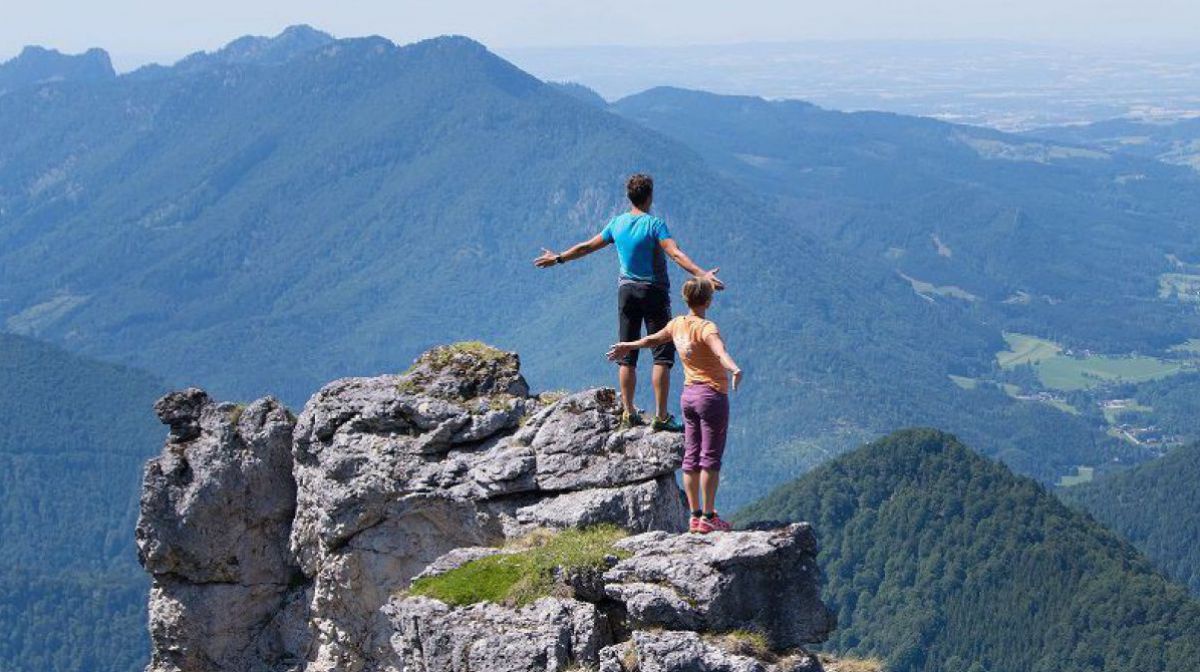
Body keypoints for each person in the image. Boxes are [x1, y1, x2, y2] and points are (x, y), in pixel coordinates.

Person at [534, 173, 723, 431]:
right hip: (653, 291)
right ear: (650, 197)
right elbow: (675, 254)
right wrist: (702, 274)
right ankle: (661, 416)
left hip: (626, 292)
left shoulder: (617, 223)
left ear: (629, 197)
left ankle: (628, 411)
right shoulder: (655, 225)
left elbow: (587, 246)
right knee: (662, 355)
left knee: (626, 352)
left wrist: (558, 258)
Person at [606, 276, 742, 534]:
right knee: (710, 457)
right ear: (708, 301)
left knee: (691, 456)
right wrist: (734, 369)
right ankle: (709, 517)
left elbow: (651, 340)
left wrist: (628, 345)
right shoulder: (707, 328)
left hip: (688, 397)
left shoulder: (677, 324)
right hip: (711, 396)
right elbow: (721, 353)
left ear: (686, 299)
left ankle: (694, 516)